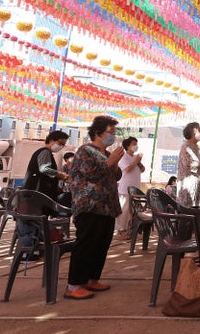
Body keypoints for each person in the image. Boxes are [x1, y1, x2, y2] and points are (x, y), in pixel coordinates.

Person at [65, 115, 124, 300]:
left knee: (101, 244)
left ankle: (91, 279)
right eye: (110, 132)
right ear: (97, 133)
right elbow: (91, 174)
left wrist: (112, 162)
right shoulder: (85, 151)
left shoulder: (107, 154)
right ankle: (73, 285)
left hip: (107, 207)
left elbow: (117, 175)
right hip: (89, 206)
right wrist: (110, 162)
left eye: (114, 133)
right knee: (86, 244)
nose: (112, 136)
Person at [22, 130, 69, 204]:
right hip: (37, 194)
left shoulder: (46, 152)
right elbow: (44, 169)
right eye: (60, 143)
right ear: (51, 140)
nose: (61, 146)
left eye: (63, 145)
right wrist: (60, 174)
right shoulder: (45, 152)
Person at [115, 137, 144, 240]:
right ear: (128, 146)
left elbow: (142, 169)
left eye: (136, 143)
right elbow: (127, 169)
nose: (136, 146)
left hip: (135, 188)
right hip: (125, 188)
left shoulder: (136, 157)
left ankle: (129, 229)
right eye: (133, 144)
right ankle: (120, 230)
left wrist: (138, 162)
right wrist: (136, 161)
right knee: (124, 209)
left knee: (133, 211)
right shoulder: (124, 157)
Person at [177, 122, 200, 207]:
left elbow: (199, 169)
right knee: (188, 217)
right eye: (199, 130)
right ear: (193, 132)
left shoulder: (194, 147)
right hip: (188, 192)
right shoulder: (186, 146)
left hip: (196, 192)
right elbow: (189, 165)